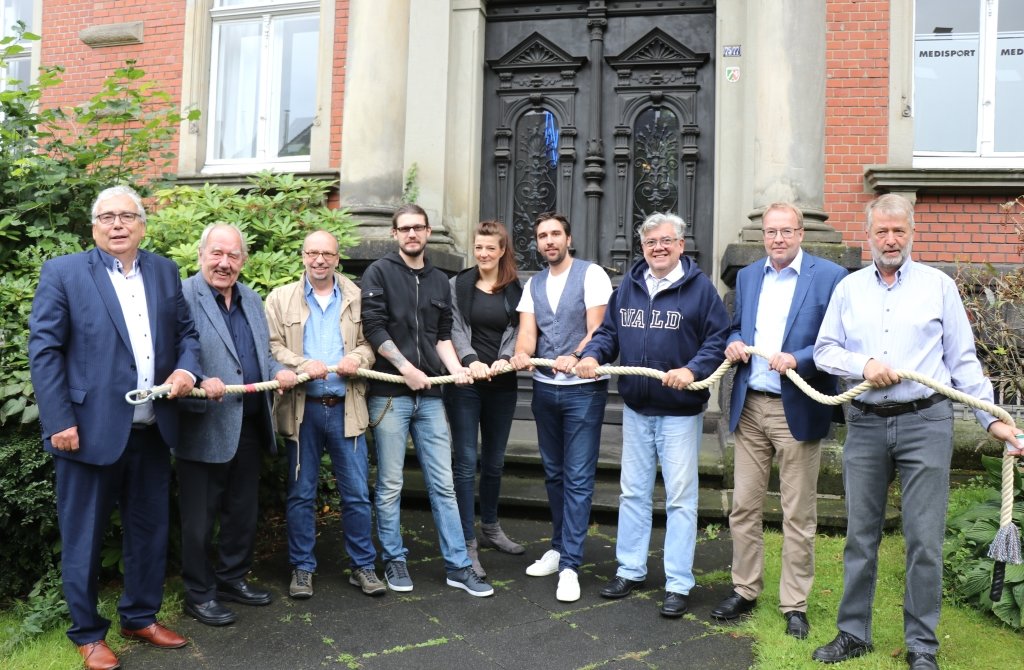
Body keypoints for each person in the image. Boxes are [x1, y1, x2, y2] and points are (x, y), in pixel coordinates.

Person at [811, 193, 1021, 670]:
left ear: (911, 232)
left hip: (926, 422)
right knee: (860, 536)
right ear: (868, 235)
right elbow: (825, 351)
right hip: (864, 423)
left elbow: (963, 362)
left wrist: (993, 419)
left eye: (898, 231)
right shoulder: (848, 290)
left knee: (923, 540)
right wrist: (861, 363)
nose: (890, 239)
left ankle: (922, 645)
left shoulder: (938, 286)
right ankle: (853, 634)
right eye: (881, 231)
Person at [28, 185, 201, 670]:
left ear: (143, 224)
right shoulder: (63, 272)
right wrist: (59, 419)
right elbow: (43, 351)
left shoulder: (165, 271)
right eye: (107, 217)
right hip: (86, 431)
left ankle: (140, 617)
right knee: (82, 536)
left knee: (149, 530)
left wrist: (186, 371)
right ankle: (87, 634)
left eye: (127, 216)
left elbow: (186, 334)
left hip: (151, 429)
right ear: (93, 226)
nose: (117, 224)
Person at [575, 212, 729, 617]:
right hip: (637, 409)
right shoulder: (629, 284)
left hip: (679, 413)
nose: (658, 248)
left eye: (665, 241)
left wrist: (692, 370)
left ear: (681, 244)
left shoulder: (701, 291)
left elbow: (718, 340)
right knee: (633, 493)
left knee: (680, 499)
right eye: (650, 243)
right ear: (643, 248)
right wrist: (591, 354)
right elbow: (609, 333)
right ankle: (630, 569)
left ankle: (678, 583)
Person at [710, 203, 847, 638]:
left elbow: (836, 341)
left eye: (787, 231)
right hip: (750, 407)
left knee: (798, 514)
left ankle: (795, 605)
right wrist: (734, 343)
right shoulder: (749, 276)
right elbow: (733, 327)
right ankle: (745, 589)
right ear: (763, 236)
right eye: (771, 232)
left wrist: (800, 359)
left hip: (798, 408)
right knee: (744, 506)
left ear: (802, 233)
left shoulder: (829, 277)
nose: (778, 239)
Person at [361, 204, 494, 597]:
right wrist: (405, 368)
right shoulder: (378, 273)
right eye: (404, 228)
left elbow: (442, 338)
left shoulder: (440, 281)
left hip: (433, 395)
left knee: (444, 484)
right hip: (390, 396)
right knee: (389, 484)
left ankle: (458, 565)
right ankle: (395, 560)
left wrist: (458, 370)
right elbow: (373, 327)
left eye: (418, 227)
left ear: (428, 231)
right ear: (395, 234)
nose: (412, 234)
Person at [175, 224, 297, 626]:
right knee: (199, 518)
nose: (224, 263)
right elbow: (170, 351)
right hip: (203, 423)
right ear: (201, 253)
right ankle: (198, 593)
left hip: (249, 420)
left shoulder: (250, 297)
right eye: (217, 254)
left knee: (242, 511)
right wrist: (194, 375)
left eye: (233, 256)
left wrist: (279, 370)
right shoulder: (182, 295)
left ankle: (230, 578)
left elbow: (259, 353)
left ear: (243, 261)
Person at [266, 230, 384, 600]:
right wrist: (302, 363)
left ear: (337, 258)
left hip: (346, 408)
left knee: (356, 494)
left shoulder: (357, 297)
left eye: (327, 254)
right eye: (312, 253)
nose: (319, 260)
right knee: (301, 493)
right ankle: (302, 569)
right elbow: (271, 347)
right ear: (303, 256)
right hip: (304, 411)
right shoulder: (280, 298)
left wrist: (358, 359)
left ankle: (363, 566)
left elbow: (370, 342)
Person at [510, 212, 613, 602]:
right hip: (544, 390)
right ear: (537, 243)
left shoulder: (592, 275)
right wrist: (521, 356)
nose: (549, 241)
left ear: (568, 238)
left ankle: (570, 565)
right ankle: (558, 547)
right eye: (542, 236)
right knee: (554, 473)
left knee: (579, 477)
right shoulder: (532, 285)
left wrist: (573, 355)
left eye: (555, 234)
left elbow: (598, 331)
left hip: (583, 391)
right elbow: (527, 336)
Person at [445, 220, 526, 578]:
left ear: (502, 250)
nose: (483, 254)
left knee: (493, 462)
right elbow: (454, 328)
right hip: (466, 383)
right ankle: (466, 541)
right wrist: (472, 361)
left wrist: (503, 362)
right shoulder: (458, 285)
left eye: (490, 248)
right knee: (464, 463)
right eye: (478, 247)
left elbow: (519, 330)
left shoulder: (515, 289)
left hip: (502, 384)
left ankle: (491, 528)